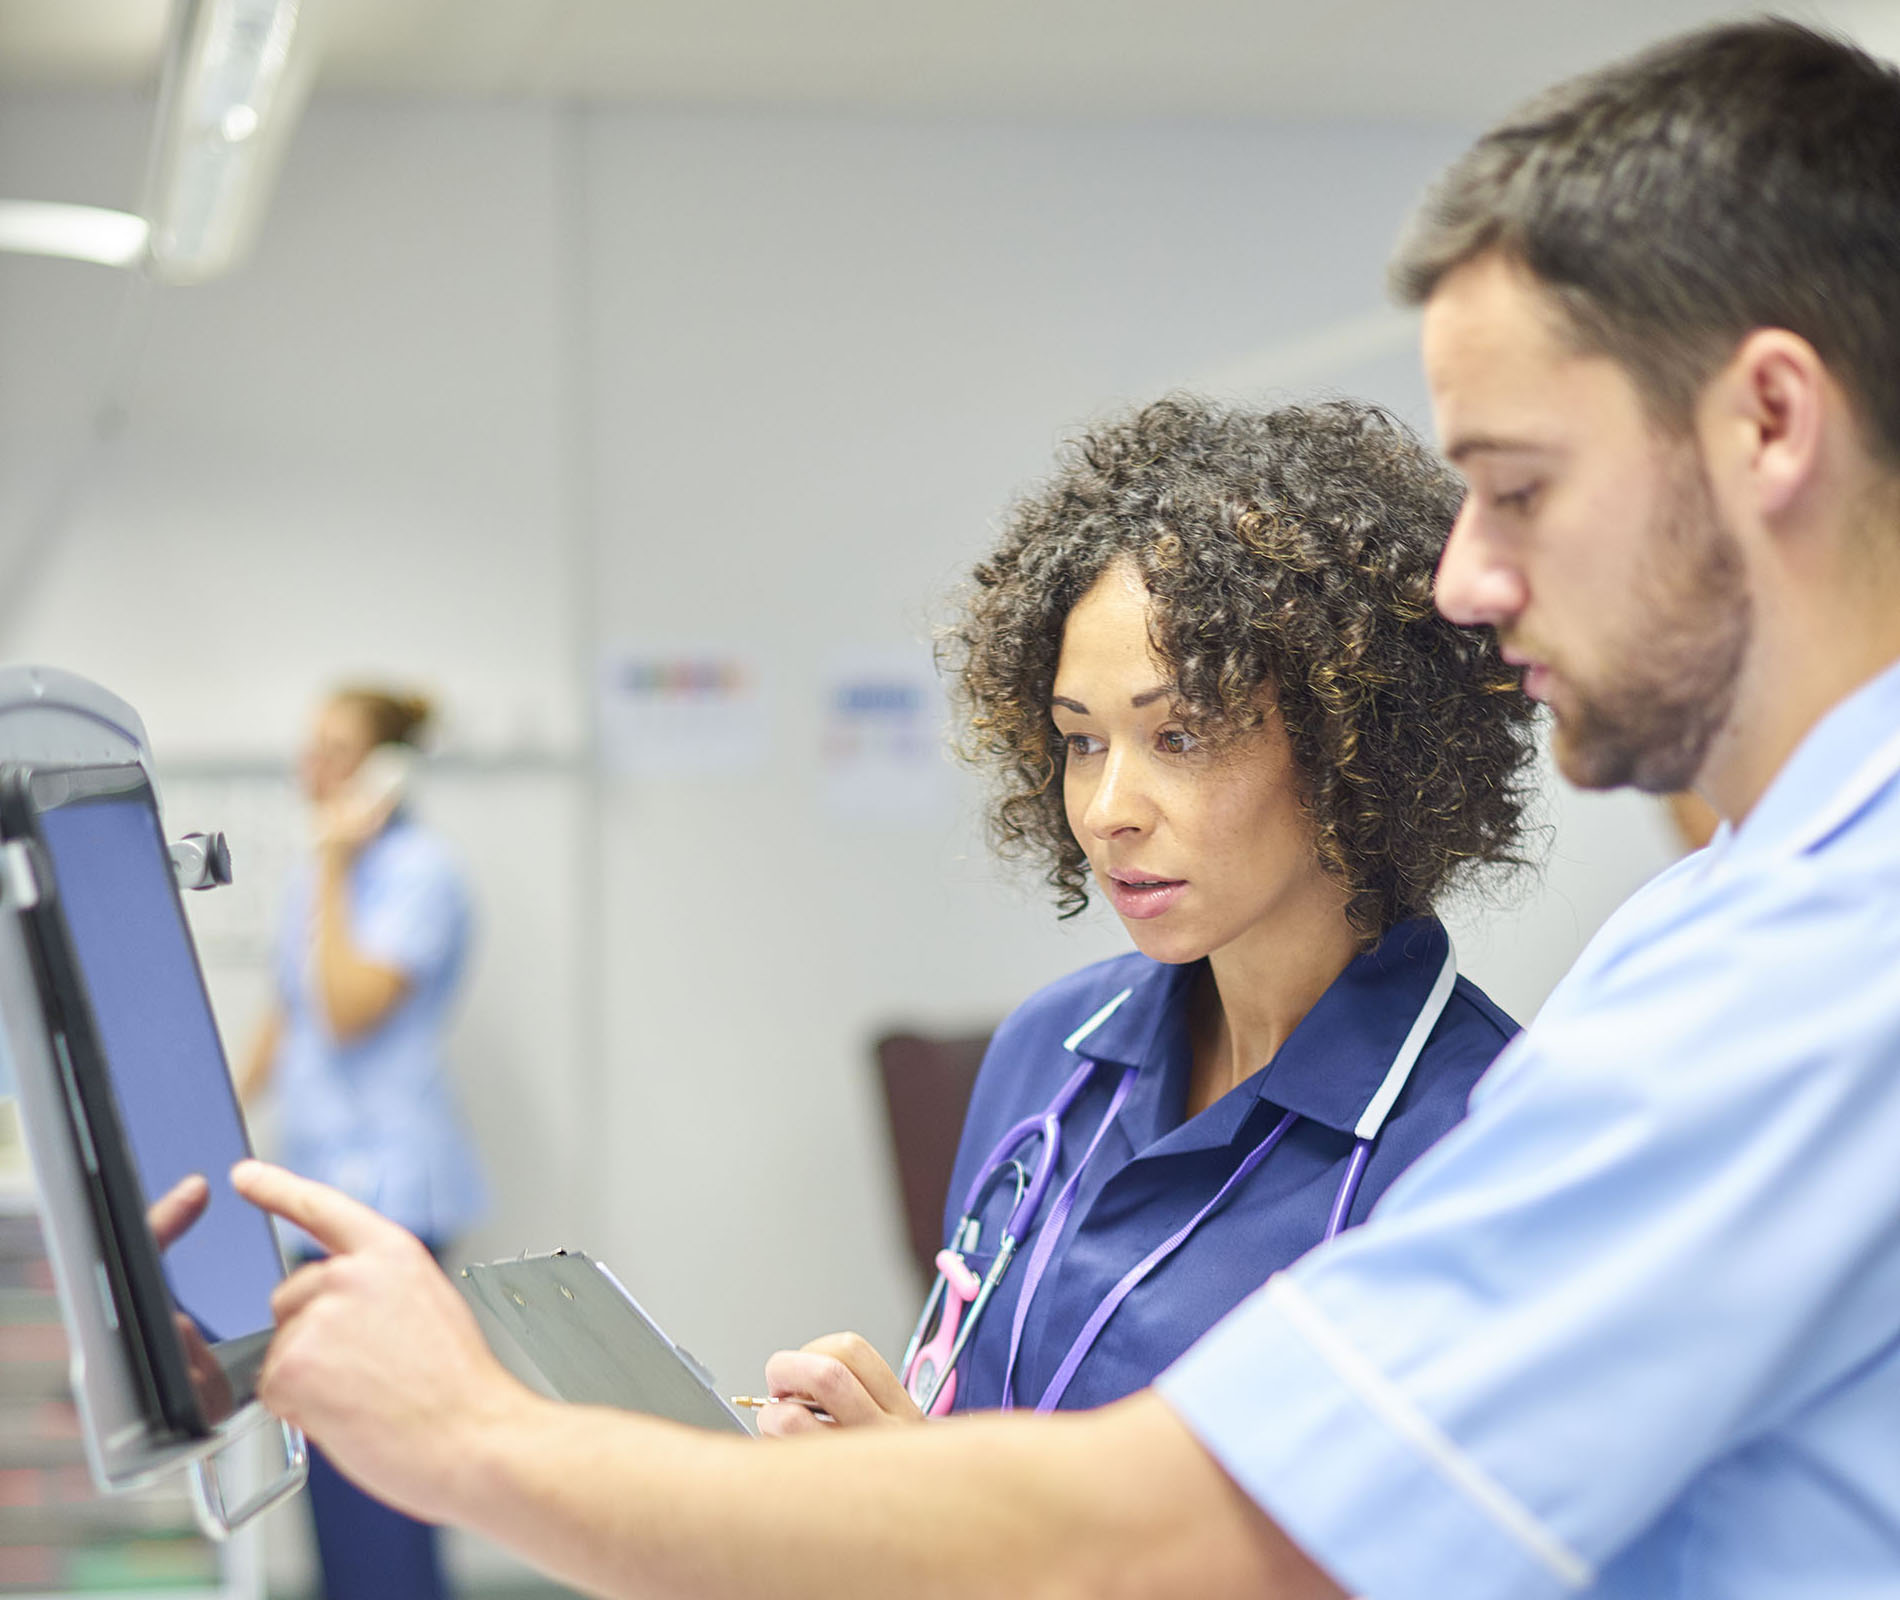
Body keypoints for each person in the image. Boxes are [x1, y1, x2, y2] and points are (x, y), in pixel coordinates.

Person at [230, 18, 1900, 1598]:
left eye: (1522, 486)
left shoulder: (1819, 973)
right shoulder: (1705, 936)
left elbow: (1181, 1543)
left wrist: (480, 1442)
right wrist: (908, 1480)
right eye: (1080, 741)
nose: (1472, 574)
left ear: (1770, 419)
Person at [759, 396, 1533, 1433]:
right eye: (1083, 740)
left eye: (1181, 737)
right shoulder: (1049, 1053)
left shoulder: (1481, 1141)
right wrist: (886, 1467)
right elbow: (971, 1434)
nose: (1107, 810)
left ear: (1355, 747)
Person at [240, 686, 483, 1600]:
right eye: (310, 746)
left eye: (337, 749)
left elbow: (345, 1012)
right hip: (321, 1185)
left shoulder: (420, 873)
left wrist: (339, 865)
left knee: (383, 1446)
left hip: (391, 1197)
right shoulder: (317, 877)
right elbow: (290, 1012)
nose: (313, 767)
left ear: (389, 768)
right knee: (332, 1440)